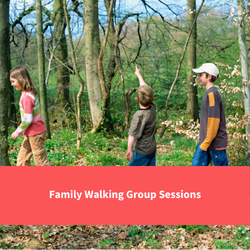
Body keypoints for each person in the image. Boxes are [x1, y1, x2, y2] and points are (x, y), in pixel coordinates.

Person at [10, 66, 50, 166]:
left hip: (36, 133)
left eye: (13, 81)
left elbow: (28, 119)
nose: (12, 84)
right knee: (22, 159)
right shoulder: (26, 94)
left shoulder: (27, 97)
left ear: (21, 79)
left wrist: (17, 131)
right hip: (29, 133)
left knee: (40, 161)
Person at [192, 63, 228, 166]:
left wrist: (205, 143)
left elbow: (214, 121)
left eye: (201, 75)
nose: (198, 77)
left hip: (214, 145)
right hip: (207, 143)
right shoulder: (210, 93)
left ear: (209, 76)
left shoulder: (212, 94)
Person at [126, 65, 156, 166]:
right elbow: (146, 90)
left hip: (140, 152)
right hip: (152, 149)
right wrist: (139, 75)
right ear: (152, 99)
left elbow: (132, 135)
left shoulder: (138, 116)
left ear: (136, 99)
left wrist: (129, 149)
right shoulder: (152, 108)